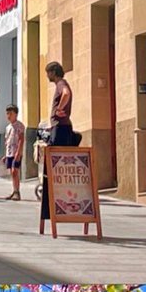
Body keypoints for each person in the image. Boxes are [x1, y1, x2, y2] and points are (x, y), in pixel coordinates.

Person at [40, 62, 80, 223]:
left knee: (54, 163)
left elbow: (66, 93)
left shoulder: (61, 84)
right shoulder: (61, 84)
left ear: (53, 72)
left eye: (48, 72)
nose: (47, 76)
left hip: (60, 128)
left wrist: (59, 109)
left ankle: (55, 199)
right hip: (62, 127)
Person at [3, 105, 25, 201]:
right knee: (12, 173)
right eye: (7, 113)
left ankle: (17, 192)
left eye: (11, 114)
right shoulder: (8, 127)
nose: (8, 116)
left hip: (16, 152)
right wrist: (5, 155)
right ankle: (14, 190)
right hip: (9, 152)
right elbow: (7, 141)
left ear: (16, 114)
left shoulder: (19, 125)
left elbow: (21, 139)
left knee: (14, 171)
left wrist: (18, 152)